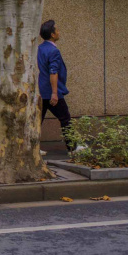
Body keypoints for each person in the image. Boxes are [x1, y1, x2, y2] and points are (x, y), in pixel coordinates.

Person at [37, 20, 82, 155]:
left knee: (37, 120)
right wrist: (55, 93)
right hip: (51, 91)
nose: (59, 32)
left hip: (42, 89)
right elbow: (53, 72)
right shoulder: (53, 51)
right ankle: (73, 148)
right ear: (52, 34)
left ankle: (32, 148)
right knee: (65, 118)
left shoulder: (40, 48)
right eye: (57, 30)